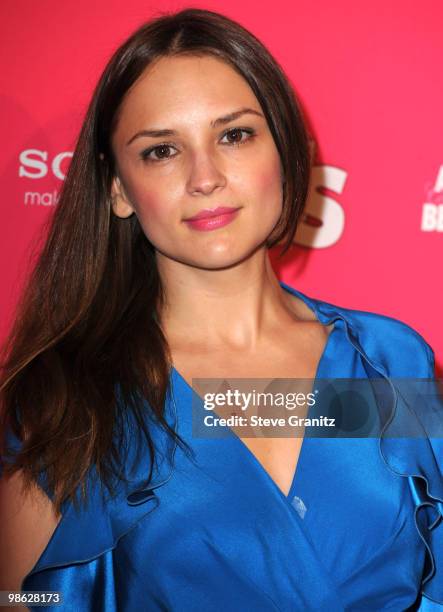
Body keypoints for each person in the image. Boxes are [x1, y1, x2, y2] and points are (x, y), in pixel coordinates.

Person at [0, 7, 442, 611]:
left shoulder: (387, 360)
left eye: (234, 135)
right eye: (161, 151)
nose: (205, 177)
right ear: (119, 190)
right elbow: (22, 601)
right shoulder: (63, 393)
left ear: (284, 152)